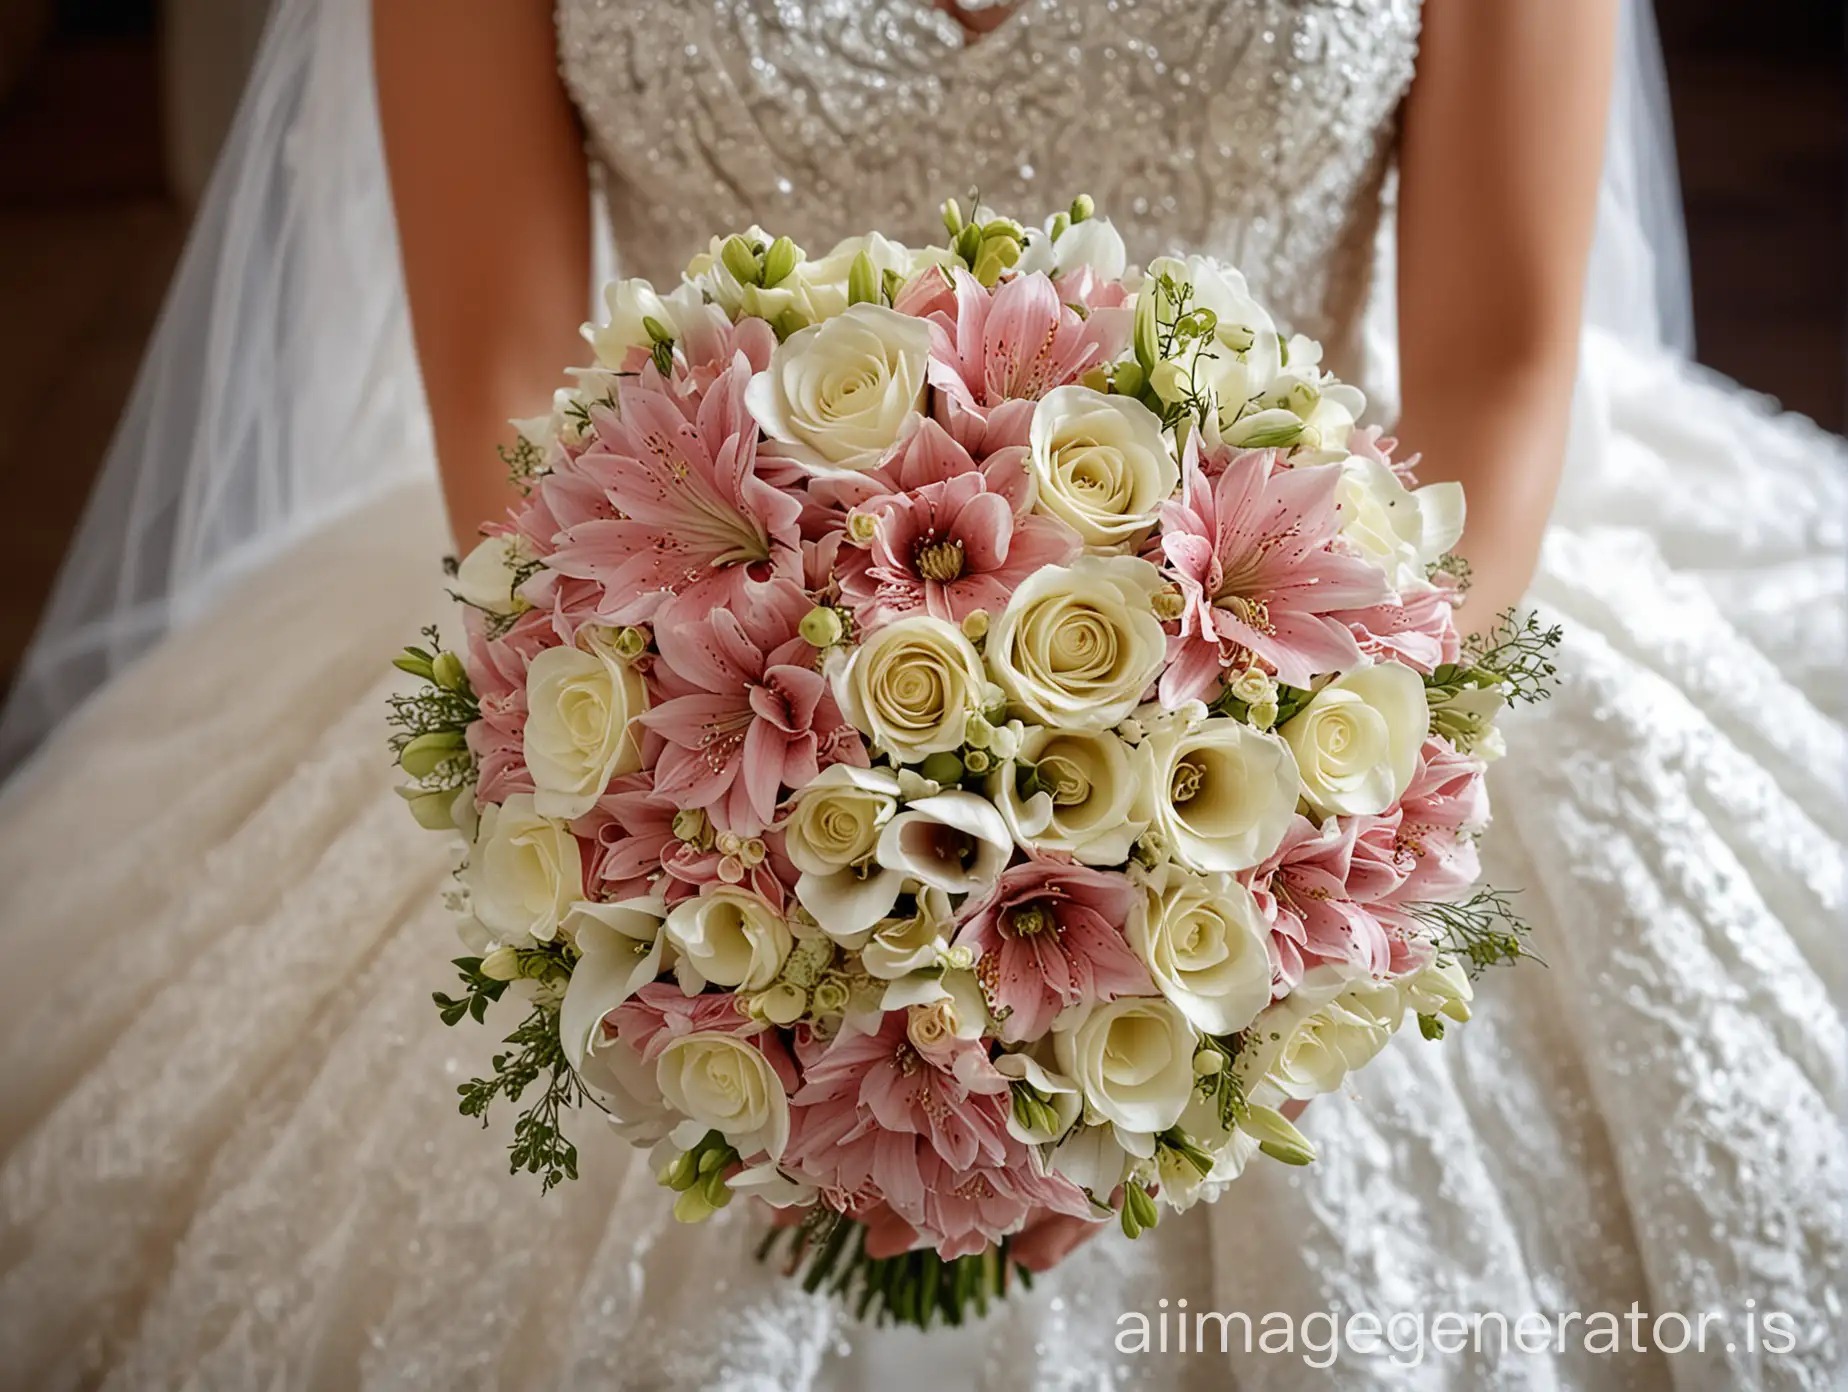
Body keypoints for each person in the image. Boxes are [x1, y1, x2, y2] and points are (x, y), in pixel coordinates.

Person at [0, 1, 1841, 1386]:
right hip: (683, 671)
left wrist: (1245, 882)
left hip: (1313, 650)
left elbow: (1494, 361)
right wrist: (734, 923)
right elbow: (496, 365)